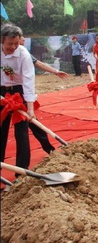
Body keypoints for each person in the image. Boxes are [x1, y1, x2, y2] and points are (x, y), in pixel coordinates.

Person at [20, 36, 69, 154]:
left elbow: (38, 63)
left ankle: (49, 148)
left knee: (32, 121)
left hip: (21, 92)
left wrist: (55, 71)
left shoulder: (24, 53)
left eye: (20, 39)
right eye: (20, 39)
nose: (22, 41)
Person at [1, 24, 36, 171]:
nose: (13, 47)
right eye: (10, 44)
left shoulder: (23, 54)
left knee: (21, 132)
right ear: (2, 41)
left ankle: (21, 172)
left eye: (16, 43)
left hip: (18, 92)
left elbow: (28, 80)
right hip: (1, 93)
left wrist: (30, 108)